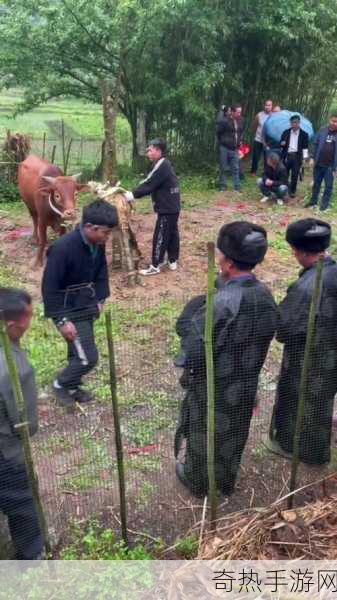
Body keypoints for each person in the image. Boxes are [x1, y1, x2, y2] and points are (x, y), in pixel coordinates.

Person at [174, 221, 277, 498]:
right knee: (235, 432)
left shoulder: (220, 303)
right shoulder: (266, 296)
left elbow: (193, 351)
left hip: (213, 385)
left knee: (203, 430)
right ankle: (226, 479)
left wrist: (189, 319)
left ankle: (198, 481)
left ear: (228, 263)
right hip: (246, 383)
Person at [266, 218, 337, 465]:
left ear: (299, 251)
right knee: (322, 400)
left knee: (300, 403)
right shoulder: (334, 271)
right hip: (332, 354)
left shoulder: (306, 287)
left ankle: (302, 450)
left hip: (308, 358)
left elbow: (284, 328)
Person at [42, 199, 118, 407]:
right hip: (68, 309)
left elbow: (102, 272)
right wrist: (61, 320)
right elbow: (49, 287)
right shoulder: (62, 249)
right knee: (88, 358)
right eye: (105, 232)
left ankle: (73, 387)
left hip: (86, 305)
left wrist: (101, 298)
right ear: (89, 227)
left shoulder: (97, 244)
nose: (107, 237)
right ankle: (60, 384)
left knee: (77, 351)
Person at [0, 287, 44, 559]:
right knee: (22, 502)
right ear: (12, 324)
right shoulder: (15, 367)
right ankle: (32, 556)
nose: (31, 322)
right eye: (29, 317)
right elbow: (25, 424)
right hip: (5, 453)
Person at [124, 139, 181, 276]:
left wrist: (132, 194)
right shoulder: (162, 164)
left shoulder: (163, 166)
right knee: (172, 233)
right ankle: (172, 260)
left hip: (167, 207)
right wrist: (135, 190)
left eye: (150, 150)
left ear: (159, 151)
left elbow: (150, 184)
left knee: (160, 235)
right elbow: (148, 181)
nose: (148, 152)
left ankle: (155, 265)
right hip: (172, 206)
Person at [306, 114, 337, 212]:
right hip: (318, 163)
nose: (335, 123)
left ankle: (324, 205)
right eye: (333, 121)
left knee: (328, 186)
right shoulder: (322, 131)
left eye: (336, 122)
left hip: (330, 166)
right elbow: (314, 143)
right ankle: (313, 202)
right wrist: (311, 157)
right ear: (329, 121)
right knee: (316, 184)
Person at [216, 105, 243, 192]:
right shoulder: (224, 121)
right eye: (238, 112)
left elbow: (240, 132)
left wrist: (239, 142)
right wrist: (223, 141)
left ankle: (237, 187)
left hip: (235, 147)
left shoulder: (241, 120)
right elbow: (218, 132)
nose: (240, 114)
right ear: (233, 112)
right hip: (224, 147)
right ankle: (222, 186)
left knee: (235, 167)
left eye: (240, 112)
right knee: (223, 167)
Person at [280, 114, 309, 198]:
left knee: (295, 175)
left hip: (297, 156)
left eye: (296, 122)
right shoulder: (286, 132)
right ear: (290, 123)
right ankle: (284, 189)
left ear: (299, 123)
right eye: (293, 123)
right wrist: (282, 143)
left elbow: (305, 147)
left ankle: (292, 191)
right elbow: (281, 143)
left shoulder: (304, 134)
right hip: (287, 156)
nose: (294, 124)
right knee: (284, 174)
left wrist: (305, 158)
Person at [251, 99, 273, 175]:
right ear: (264, 106)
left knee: (267, 157)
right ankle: (253, 171)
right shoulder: (259, 115)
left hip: (267, 141)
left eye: (269, 105)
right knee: (256, 156)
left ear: (271, 106)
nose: (267, 107)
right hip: (258, 139)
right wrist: (256, 134)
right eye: (266, 105)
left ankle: (266, 172)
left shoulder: (274, 116)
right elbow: (254, 126)